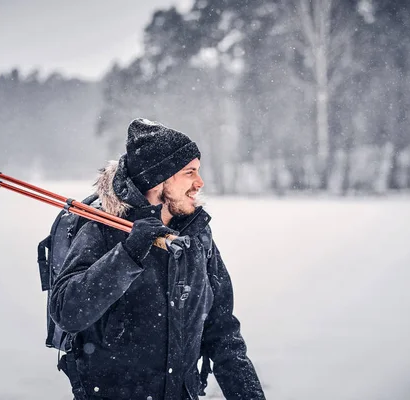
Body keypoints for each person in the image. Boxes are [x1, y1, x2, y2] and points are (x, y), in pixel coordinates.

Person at [50, 118, 265, 400]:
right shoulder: (103, 230)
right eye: (190, 173)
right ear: (158, 179)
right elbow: (67, 311)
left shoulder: (196, 236)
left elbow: (222, 332)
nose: (199, 183)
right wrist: (128, 254)